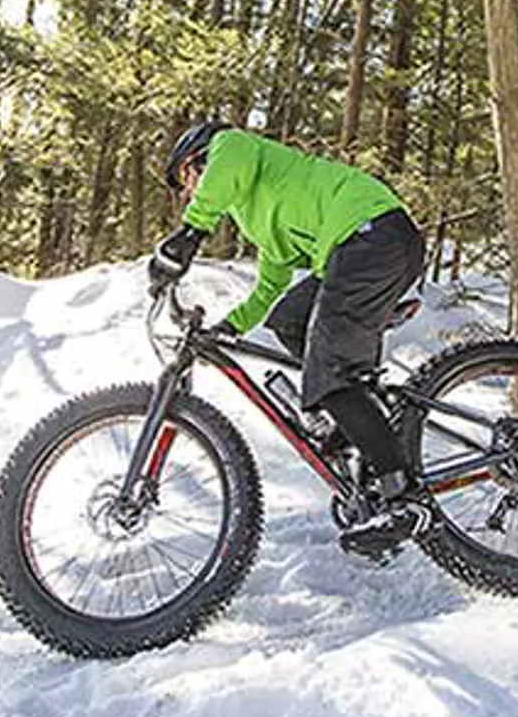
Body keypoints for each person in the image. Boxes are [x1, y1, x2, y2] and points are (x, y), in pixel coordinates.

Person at [146, 121, 432, 556]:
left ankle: (404, 500)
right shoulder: (256, 215)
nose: (188, 193)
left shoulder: (234, 146)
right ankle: (359, 418)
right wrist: (230, 327)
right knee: (289, 321)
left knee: (332, 372)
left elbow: (225, 167)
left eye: (185, 179)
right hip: (361, 250)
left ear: (199, 157)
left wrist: (190, 233)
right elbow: (269, 287)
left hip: (370, 235)